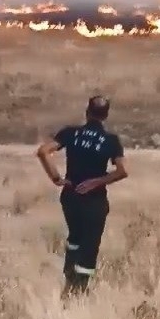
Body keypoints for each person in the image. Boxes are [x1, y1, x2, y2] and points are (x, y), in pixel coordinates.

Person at [36, 96, 128, 297]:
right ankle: (77, 291)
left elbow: (43, 151)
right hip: (94, 200)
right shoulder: (111, 141)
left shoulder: (71, 133)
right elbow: (122, 171)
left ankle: (69, 277)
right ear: (106, 115)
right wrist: (96, 182)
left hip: (70, 196)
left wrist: (56, 178)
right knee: (90, 244)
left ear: (87, 112)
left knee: (75, 238)